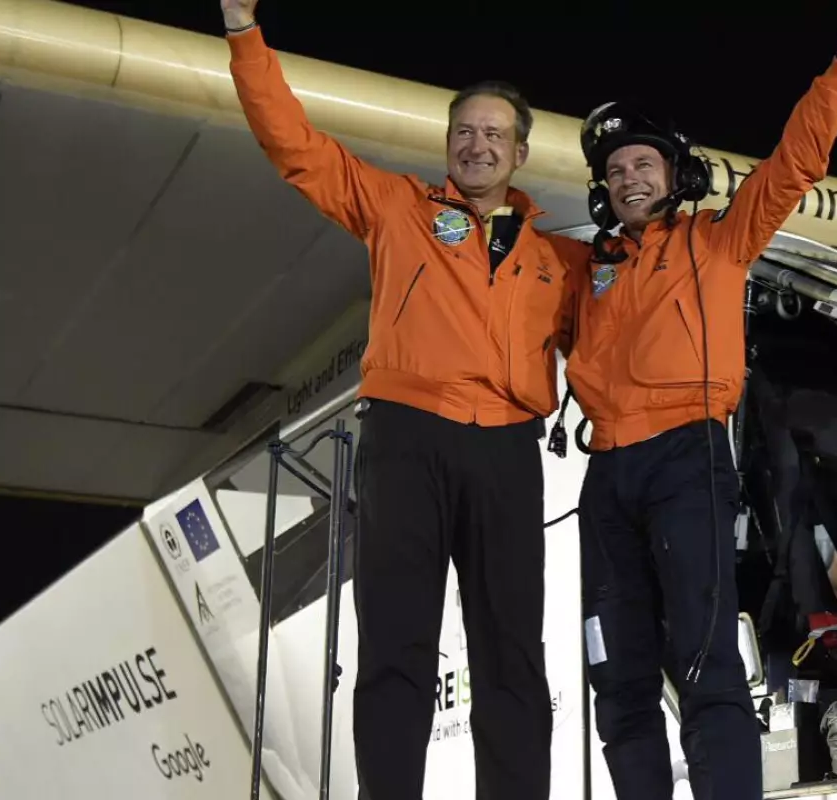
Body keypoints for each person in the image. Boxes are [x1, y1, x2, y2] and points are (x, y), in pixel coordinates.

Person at [220, 2, 576, 798]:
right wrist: (244, 31)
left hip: (507, 451)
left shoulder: (559, 260)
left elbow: (632, 324)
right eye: (464, 132)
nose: (477, 144)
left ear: (520, 152)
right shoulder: (397, 210)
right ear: (447, 145)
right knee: (393, 647)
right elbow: (293, 144)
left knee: (513, 653)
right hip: (406, 442)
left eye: (494, 134)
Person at [557, 2, 837, 798]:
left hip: (686, 459)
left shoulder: (718, 239)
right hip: (607, 477)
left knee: (705, 663)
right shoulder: (579, 268)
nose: (629, 179)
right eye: (615, 171)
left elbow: (793, 166)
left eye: (643, 164)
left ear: (676, 173)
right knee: (618, 676)